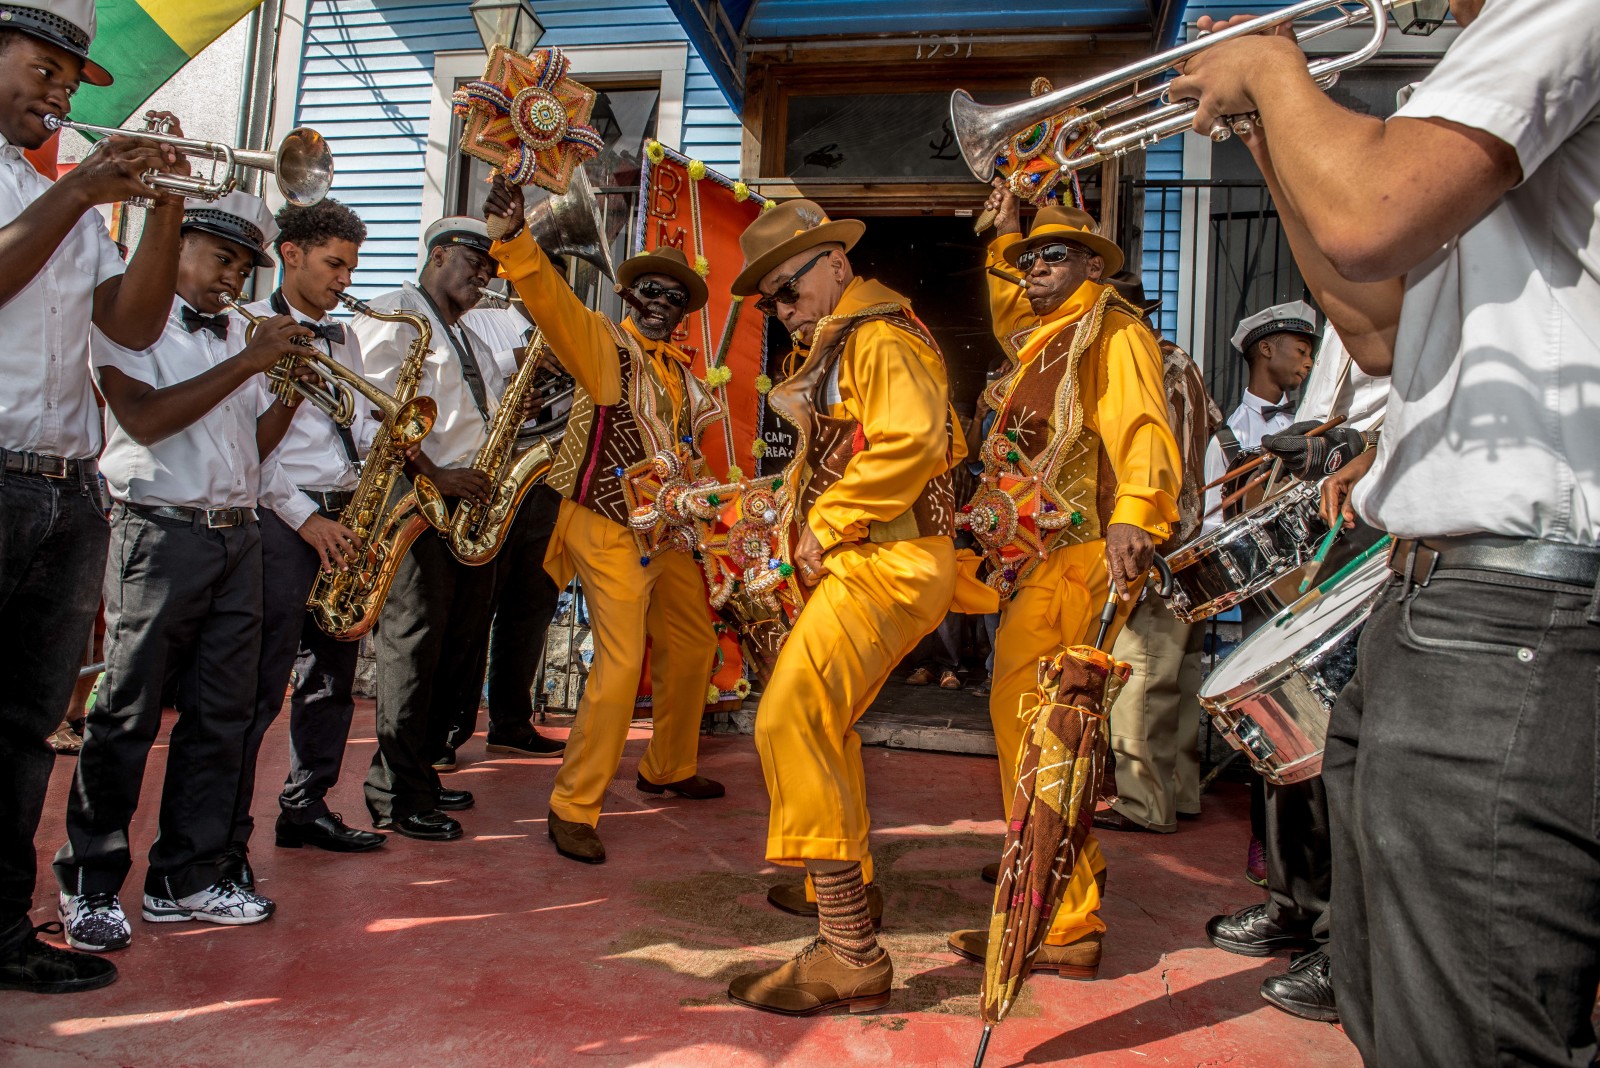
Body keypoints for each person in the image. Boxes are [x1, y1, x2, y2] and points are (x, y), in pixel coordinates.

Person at [1173, 2, 1600, 1061]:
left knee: (1464, 1031)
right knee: (1399, 1006)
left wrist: (1275, 73)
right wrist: (1265, 131)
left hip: (1516, 606)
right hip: (1449, 604)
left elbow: (1366, 214)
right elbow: (1371, 326)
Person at [721, 198, 962, 1015]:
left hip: (886, 562)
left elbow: (912, 441)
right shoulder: (853, 341)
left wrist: (824, 522)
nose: (783, 312)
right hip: (882, 558)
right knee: (822, 722)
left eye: (789, 291)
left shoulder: (879, 337)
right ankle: (848, 894)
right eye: (771, 304)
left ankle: (850, 949)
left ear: (834, 264)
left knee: (788, 717)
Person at [53, 191, 310, 950]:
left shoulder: (238, 331)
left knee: (221, 720)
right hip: (157, 533)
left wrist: (289, 389)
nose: (231, 275)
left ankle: (184, 878)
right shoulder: (131, 319)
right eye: (219, 256)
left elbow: (251, 447)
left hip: (237, 537)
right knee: (125, 715)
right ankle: (89, 884)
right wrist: (250, 361)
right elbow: (145, 418)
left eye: (241, 264)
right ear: (176, 247)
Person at [946, 184, 1181, 981]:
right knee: (1042, 723)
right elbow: (1008, 305)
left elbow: (1144, 422)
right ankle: (1064, 884)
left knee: (1039, 724)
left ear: (1090, 263)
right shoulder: (1047, 334)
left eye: (1050, 257)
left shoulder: (1112, 328)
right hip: (1039, 560)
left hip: (1082, 555)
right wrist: (1002, 234)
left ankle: (1067, 916)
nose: (1033, 272)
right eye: (1026, 262)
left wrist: (1139, 512)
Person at [0, 0, 188, 995]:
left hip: (65, 486)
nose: (62, 90)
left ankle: (1, 928)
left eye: (73, 79)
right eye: (45, 66)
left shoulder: (63, 199)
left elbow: (135, 323)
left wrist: (162, 208)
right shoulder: (51, 196)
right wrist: (79, 194)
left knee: (26, 727)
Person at [486, 174, 722, 865]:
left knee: (693, 640)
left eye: (674, 299)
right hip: (607, 524)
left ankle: (668, 766)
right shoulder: (601, 343)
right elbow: (552, 303)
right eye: (651, 292)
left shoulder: (683, 374)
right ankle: (573, 805)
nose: (661, 305)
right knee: (619, 667)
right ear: (628, 296)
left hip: (668, 529)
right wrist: (516, 241)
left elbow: (684, 451)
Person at [231, 197, 386, 870]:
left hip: (345, 514)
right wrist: (307, 518)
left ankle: (307, 804)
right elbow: (244, 450)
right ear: (290, 254)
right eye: (333, 265)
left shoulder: (344, 336)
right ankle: (223, 833)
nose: (344, 280)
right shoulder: (252, 331)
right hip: (283, 519)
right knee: (261, 684)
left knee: (331, 674)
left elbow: (355, 425)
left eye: (350, 268)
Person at [355, 215, 513, 841]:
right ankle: (394, 793)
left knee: (453, 648)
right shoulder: (396, 311)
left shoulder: (468, 333)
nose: (485, 274)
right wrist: (437, 474)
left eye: (492, 266)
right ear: (440, 252)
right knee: (414, 646)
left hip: (465, 508)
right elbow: (377, 411)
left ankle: (419, 771)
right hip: (416, 497)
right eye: (475, 260)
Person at [1099, 272, 1221, 835]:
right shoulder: (1183, 360)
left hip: (1155, 537)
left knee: (1140, 673)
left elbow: (1147, 458)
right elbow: (1212, 440)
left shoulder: (1139, 362)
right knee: (1180, 676)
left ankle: (1144, 804)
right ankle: (1180, 793)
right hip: (1193, 535)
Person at [454, 288, 568, 760]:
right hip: (493, 478)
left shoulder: (568, 333)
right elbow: (465, 382)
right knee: (474, 607)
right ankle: (452, 726)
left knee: (531, 609)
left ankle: (511, 723)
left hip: (545, 481)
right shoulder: (480, 323)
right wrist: (519, 359)